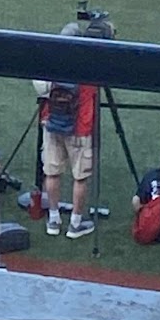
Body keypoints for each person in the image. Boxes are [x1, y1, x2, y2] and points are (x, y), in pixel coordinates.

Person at [35, 22, 101, 241]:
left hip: (52, 124)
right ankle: (75, 223)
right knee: (80, 177)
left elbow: (40, 89)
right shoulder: (89, 66)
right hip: (79, 129)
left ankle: (53, 220)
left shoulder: (51, 62)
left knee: (52, 172)